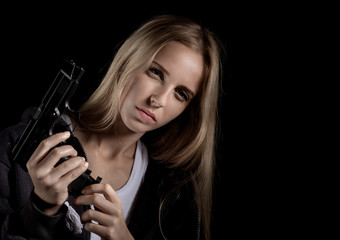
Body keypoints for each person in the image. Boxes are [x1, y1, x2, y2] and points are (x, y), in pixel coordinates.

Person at [0, 14, 223, 240]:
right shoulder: (17, 144)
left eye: (181, 94)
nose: (159, 100)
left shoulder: (173, 195)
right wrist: (42, 209)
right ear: (128, 60)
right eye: (155, 72)